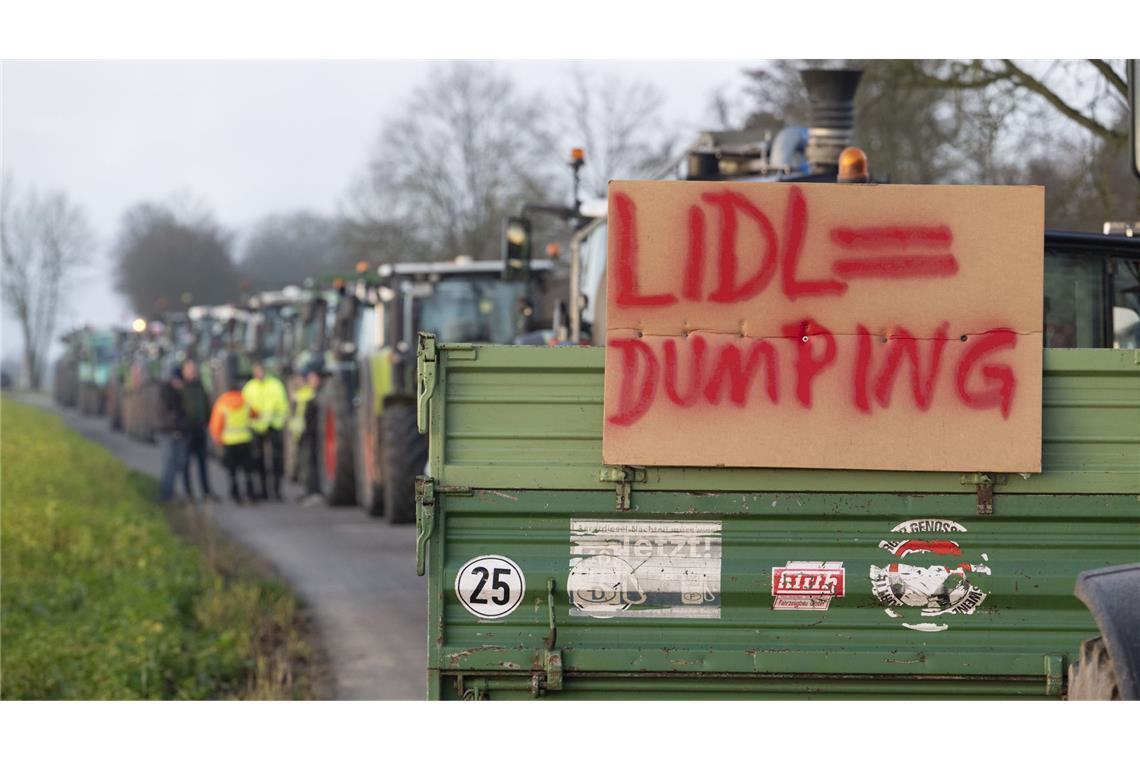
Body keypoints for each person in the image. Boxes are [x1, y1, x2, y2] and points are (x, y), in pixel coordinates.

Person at [242, 361, 289, 501]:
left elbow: (283, 406)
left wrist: (278, 423)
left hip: (274, 426)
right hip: (256, 428)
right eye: (256, 371)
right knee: (258, 461)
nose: (259, 374)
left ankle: (276, 491)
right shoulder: (249, 387)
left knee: (276, 460)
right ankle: (262, 491)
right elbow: (245, 408)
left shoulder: (275, 385)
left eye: (261, 371)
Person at [208, 377, 258, 504]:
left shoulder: (222, 402)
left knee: (232, 470)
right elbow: (255, 414)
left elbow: (216, 423)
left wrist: (216, 437)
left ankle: (236, 494)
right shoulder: (245, 401)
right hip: (245, 440)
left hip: (229, 442)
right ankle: (250, 493)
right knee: (247, 470)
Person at [180, 359, 217, 501]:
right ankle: (188, 493)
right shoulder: (182, 388)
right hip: (187, 431)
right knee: (186, 464)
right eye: (189, 369)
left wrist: (208, 423)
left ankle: (206, 491)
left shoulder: (201, 387)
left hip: (200, 429)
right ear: (184, 372)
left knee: (203, 463)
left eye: (194, 369)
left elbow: (207, 407)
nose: (192, 372)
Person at [290, 366, 323, 507]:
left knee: (311, 465)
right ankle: (309, 491)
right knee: (306, 465)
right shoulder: (301, 394)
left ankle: (314, 492)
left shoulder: (309, 395)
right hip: (303, 435)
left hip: (309, 435)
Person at [157, 365, 189, 502]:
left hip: (177, 432)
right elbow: (170, 415)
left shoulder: (178, 392)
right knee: (170, 463)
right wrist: (177, 426)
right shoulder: (168, 393)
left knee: (178, 464)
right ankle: (166, 494)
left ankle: (171, 492)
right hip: (169, 432)